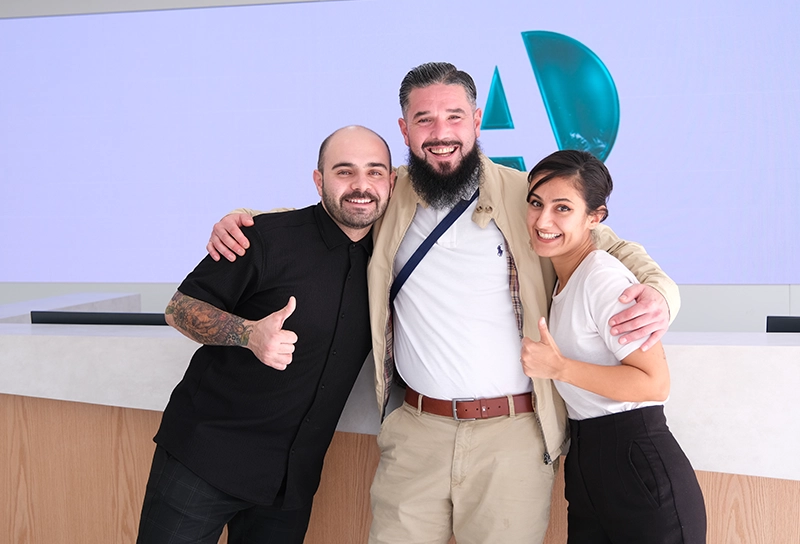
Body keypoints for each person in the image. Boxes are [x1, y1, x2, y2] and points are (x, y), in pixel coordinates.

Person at [207, 62, 680, 544]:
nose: (440, 133)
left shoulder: (527, 195)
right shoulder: (387, 194)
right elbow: (325, 210)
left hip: (514, 436)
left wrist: (662, 295)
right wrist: (244, 218)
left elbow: (611, 247)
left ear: (476, 120)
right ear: (404, 129)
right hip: (415, 431)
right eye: (424, 119)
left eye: (454, 117)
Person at [136, 125, 395, 544]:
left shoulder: (390, 259)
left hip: (289, 484)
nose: (361, 185)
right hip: (204, 458)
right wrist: (248, 334)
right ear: (319, 180)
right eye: (344, 171)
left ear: (391, 182)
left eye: (375, 172)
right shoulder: (263, 237)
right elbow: (179, 309)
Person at [521, 149, 706, 543]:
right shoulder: (563, 279)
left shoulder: (601, 278)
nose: (543, 220)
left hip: (637, 463)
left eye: (562, 208)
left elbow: (654, 384)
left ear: (595, 218)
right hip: (589, 460)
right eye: (536, 203)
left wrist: (559, 368)